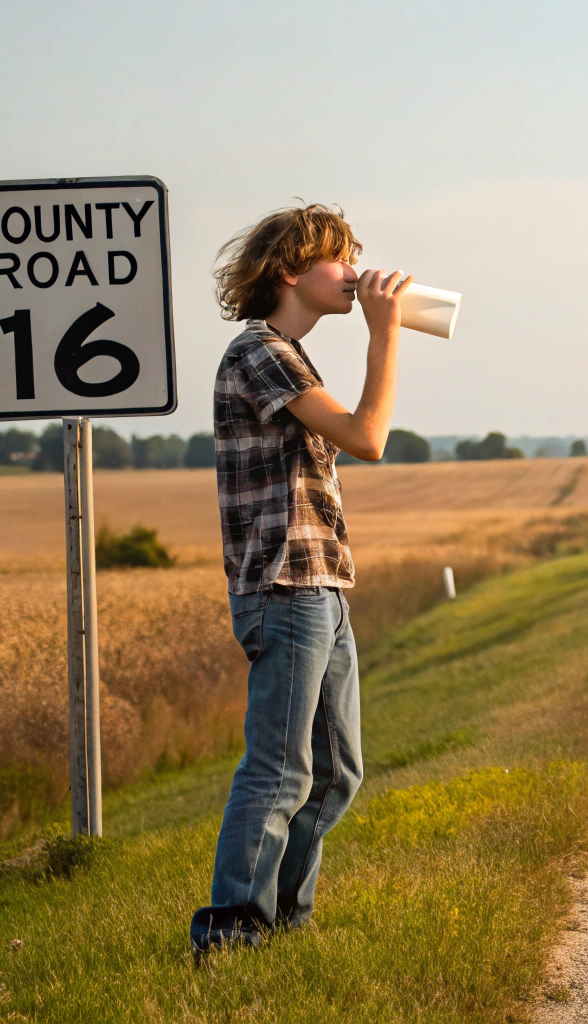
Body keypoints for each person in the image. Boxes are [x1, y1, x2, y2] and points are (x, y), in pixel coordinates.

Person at [190, 204, 410, 955]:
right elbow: (368, 438)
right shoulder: (261, 352)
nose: (354, 273)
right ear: (291, 271)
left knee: (337, 770)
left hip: (320, 583)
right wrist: (387, 334)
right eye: (340, 259)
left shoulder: (289, 353)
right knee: (282, 769)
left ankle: (281, 928)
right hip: (287, 588)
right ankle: (230, 937)